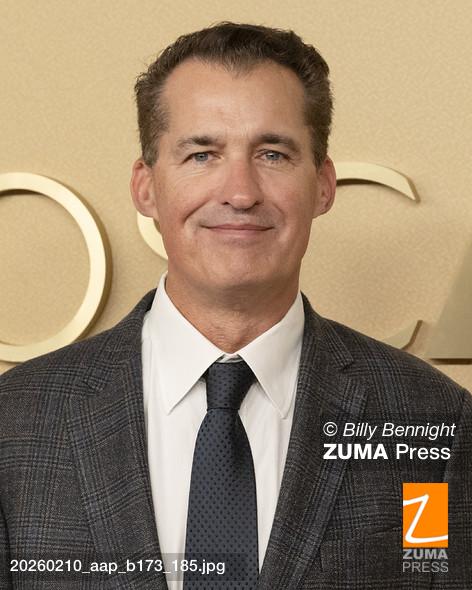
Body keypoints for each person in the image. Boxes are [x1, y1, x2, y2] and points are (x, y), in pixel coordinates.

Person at [0, 22, 470, 590]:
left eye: (272, 154)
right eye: (202, 155)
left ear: (323, 185)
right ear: (146, 187)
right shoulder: (14, 422)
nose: (240, 192)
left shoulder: (434, 421)